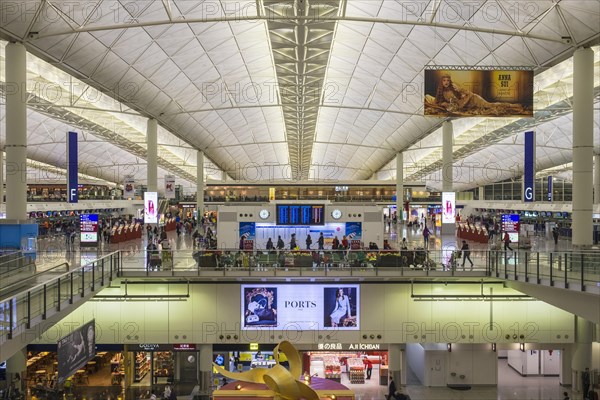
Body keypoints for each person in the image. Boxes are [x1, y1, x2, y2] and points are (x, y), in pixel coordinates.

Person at [426, 73, 526, 115]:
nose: (446, 82)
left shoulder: (455, 86)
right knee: (490, 107)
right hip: (464, 105)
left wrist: (462, 102)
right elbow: (437, 102)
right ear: (442, 82)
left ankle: (512, 105)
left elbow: (468, 93)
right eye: (444, 80)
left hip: (473, 99)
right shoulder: (442, 92)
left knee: (490, 105)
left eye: (448, 80)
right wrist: (443, 104)